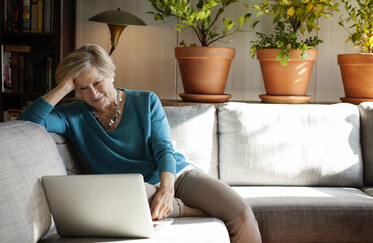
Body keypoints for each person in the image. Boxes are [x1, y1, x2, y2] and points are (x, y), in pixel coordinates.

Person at [18, 44, 262, 243]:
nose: (93, 93)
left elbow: (164, 149)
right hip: (132, 191)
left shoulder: (146, 101)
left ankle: (179, 205)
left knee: (240, 213)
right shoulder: (70, 115)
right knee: (127, 204)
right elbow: (28, 122)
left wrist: (167, 191)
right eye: (82, 88)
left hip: (177, 175)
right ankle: (185, 209)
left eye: (98, 82)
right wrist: (64, 87)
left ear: (111, 73)